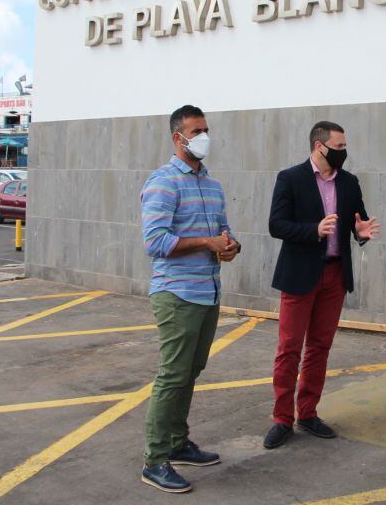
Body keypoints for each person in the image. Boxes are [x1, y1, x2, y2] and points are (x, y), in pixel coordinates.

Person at [140, 104, 241, 494]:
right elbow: (155, 242)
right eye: (196, 131)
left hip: (207, 291)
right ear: (177, 138)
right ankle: (154, 459)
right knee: (172, 374)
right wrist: (206, 242)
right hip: (176, 293)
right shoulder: (163, 182)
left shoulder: (212, 185)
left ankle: (177, 442)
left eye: (206, 129)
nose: (203, 137)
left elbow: (223, 232)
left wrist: (230, 246)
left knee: (190, 371)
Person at [264, 121, 381, 449]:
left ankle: (308, 412)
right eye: (339, 147)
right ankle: (281, 419)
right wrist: (313, 230)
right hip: (300, 274)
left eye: (345, 147)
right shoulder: (290, 179)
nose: (344, 152)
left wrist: (362, 233)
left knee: (320, 347)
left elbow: (359, 222)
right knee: (289, 349)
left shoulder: (349, 182)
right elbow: (276, 225)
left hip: (334, 276)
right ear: (320, 146)